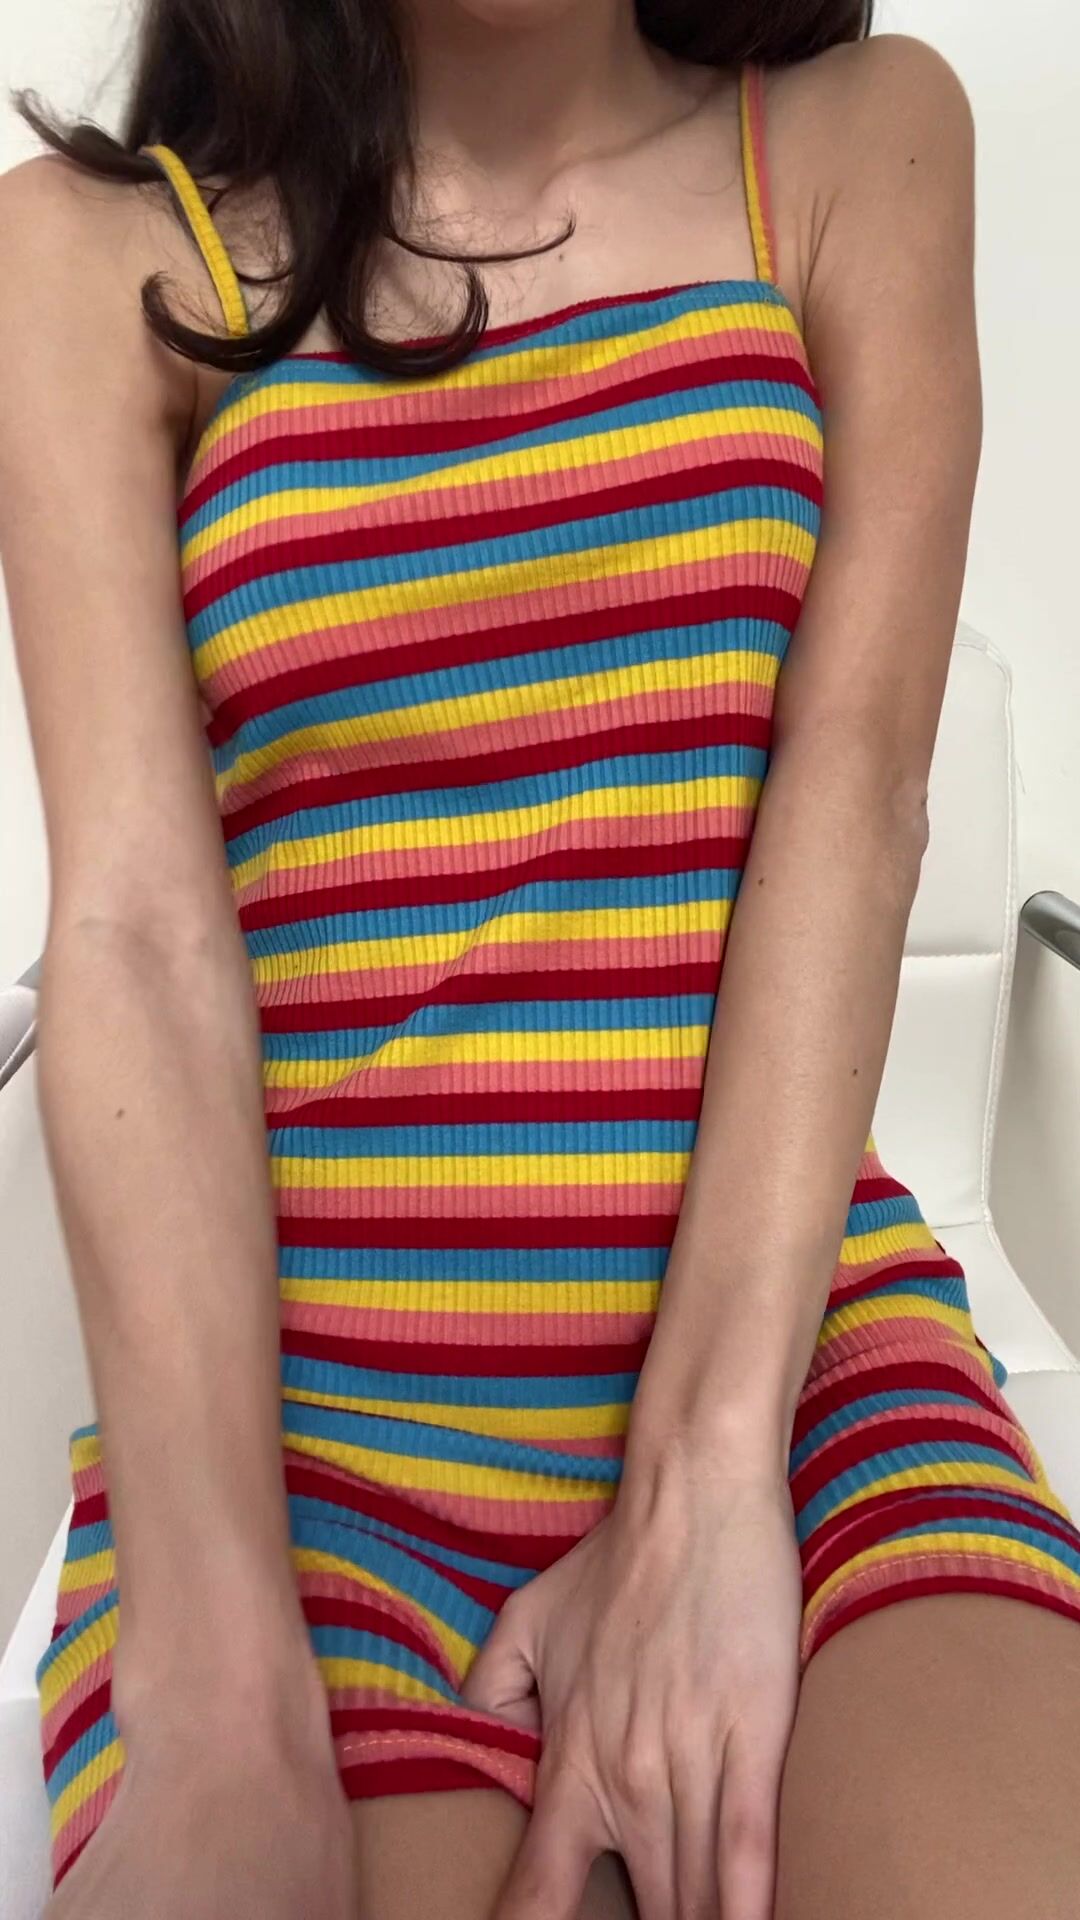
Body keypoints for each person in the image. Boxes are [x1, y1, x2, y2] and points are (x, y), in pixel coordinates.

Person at [2, 4, 1079, 1917]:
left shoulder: (856, 141)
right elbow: (136, 932)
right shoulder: (95, 257)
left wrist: (708, 1472)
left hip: (788, 1366)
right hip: (309, 1462)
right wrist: (221, 1685)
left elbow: (858, 785)